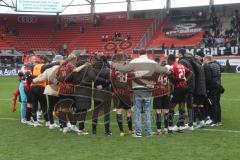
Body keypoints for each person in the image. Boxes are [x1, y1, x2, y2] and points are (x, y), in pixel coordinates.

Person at [112, 49, 170, 137]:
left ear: (139, 54)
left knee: (137, 112)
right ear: (146, 54)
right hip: (148, 89)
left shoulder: (134, 61)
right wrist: (168, 70)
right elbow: (165, 71)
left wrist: (114, 64)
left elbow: (123, 69)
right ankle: (148, 132)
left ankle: (138, 133)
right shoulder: (152, 62)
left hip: (137, 89)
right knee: (147, 111)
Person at [32, 55, 64, 129]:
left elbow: (41, 77)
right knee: (59, 107)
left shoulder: (48, 69)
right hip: (58, 89)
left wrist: (34, 80)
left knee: (50, 107)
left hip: (49, 90)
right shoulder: (61, 69)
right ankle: (62, 124)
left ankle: (51, 124)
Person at [167, 54, 192, 132]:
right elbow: (191, 73)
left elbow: (172, 77)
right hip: (185, 88)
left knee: (171, 106)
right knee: (182, 106)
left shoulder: (173, 67)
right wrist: (185, 80)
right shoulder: (181, 65)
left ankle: (170, 126)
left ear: (170, 60)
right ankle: (181, 125)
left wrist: (180, 80)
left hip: (178, 88)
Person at [111, 53, 133, 136]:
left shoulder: (114, 68)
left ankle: (121, 132)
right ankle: (130, 130)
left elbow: (112, 80)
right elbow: (131, 77)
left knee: (119, 110)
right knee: (128, 111)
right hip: (126, 92)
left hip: (118, 92)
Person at [152, 57, 171, 135]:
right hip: (166, 92)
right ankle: (166, 129)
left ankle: (159, 130)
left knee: (158, 111)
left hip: (158, 92)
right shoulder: (168, 71)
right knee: (166, 111)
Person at [178, 49, 195, 130]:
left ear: (181, 54)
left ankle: (181, 124)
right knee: (189, 105)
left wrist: (183, 82)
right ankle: (191, 124)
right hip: (191, 86)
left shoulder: (181, 61)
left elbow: (181, 74)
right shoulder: (188, 61)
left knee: (182, 104)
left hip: (185, 86)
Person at [203, 55, 223, 126]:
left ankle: (215, 120)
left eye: (203, 60)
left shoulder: (208, 66)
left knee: (213, 104)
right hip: (218, 86)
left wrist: (207, 88)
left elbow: (208, 79)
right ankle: (219, 120)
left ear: (206, 59)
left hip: (212, 87)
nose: (203, 61)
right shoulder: (217, 65)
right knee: (217, 103)